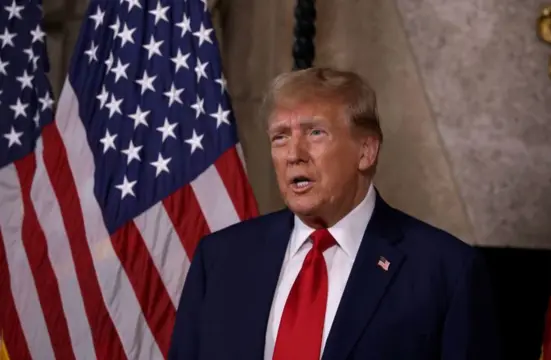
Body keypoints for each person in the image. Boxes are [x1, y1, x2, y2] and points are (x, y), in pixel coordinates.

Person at [168, 67, 502, 359]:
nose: (294, 154)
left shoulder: (445, 271)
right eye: (280, 137)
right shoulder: (221, 259)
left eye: (315, 133)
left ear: (366, 151)